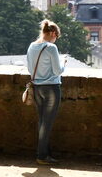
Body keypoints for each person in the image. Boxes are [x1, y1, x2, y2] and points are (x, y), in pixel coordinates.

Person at [27, 19, 66, 166]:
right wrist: (63, 63)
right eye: (56, 36)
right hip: (51, 88)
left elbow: (30, 69)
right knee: (47, 123)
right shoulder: (51, 48)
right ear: (52, 33)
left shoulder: (32, 46)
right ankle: (42, 155)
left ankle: (45, 152)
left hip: (37, 87)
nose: (56, 40)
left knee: (42, 121)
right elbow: (57, 70)